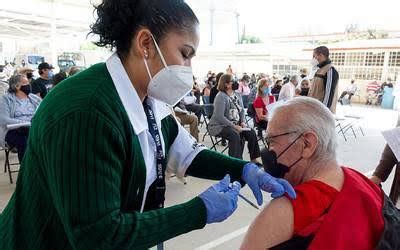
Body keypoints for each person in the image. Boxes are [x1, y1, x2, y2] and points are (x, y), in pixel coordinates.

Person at [0, 1, 296, 249]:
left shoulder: (148, 97)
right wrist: (197, 211)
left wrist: (243, 169)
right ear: (145, 44)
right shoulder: (87, 110)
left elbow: (185, 152)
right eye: (185, 54)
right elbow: (97, 235)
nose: (188, 69)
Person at [242, 97, 397, 249]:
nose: (268, 150)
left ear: (307, 144)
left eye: (272, 141)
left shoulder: (286, 212)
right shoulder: (368, 187)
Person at [209, 74, 261, 162]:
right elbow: (219, 116)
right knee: (234, 134)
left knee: (251, 133)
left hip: (237, 125)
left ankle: (254, 160)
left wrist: (243, 122)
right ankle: (236, 163)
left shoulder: (237, 95)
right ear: (226, 84)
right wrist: (234, 126)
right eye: (233, 81)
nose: (236, 83)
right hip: (220, 126)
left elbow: (241, 111)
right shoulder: (220, 96)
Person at [0, 74, 41, 161]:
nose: (28, 85)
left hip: (33, 128)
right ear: (17, 86)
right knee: (24, 141)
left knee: (45, 137)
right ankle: (26, 169)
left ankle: (41, 166)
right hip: (14, 130)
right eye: (25, 83)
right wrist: (24, 123)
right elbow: (4, 120)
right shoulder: (6, 99)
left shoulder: (33, 98)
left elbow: (43, 112)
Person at [308, 46, 339, 113]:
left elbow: (329, 95)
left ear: (321, 55)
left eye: (314, 56)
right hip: (314, 109)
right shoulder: (319, 70)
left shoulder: (330, 70)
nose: (313, 58)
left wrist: (323, 113)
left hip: (321, 112)